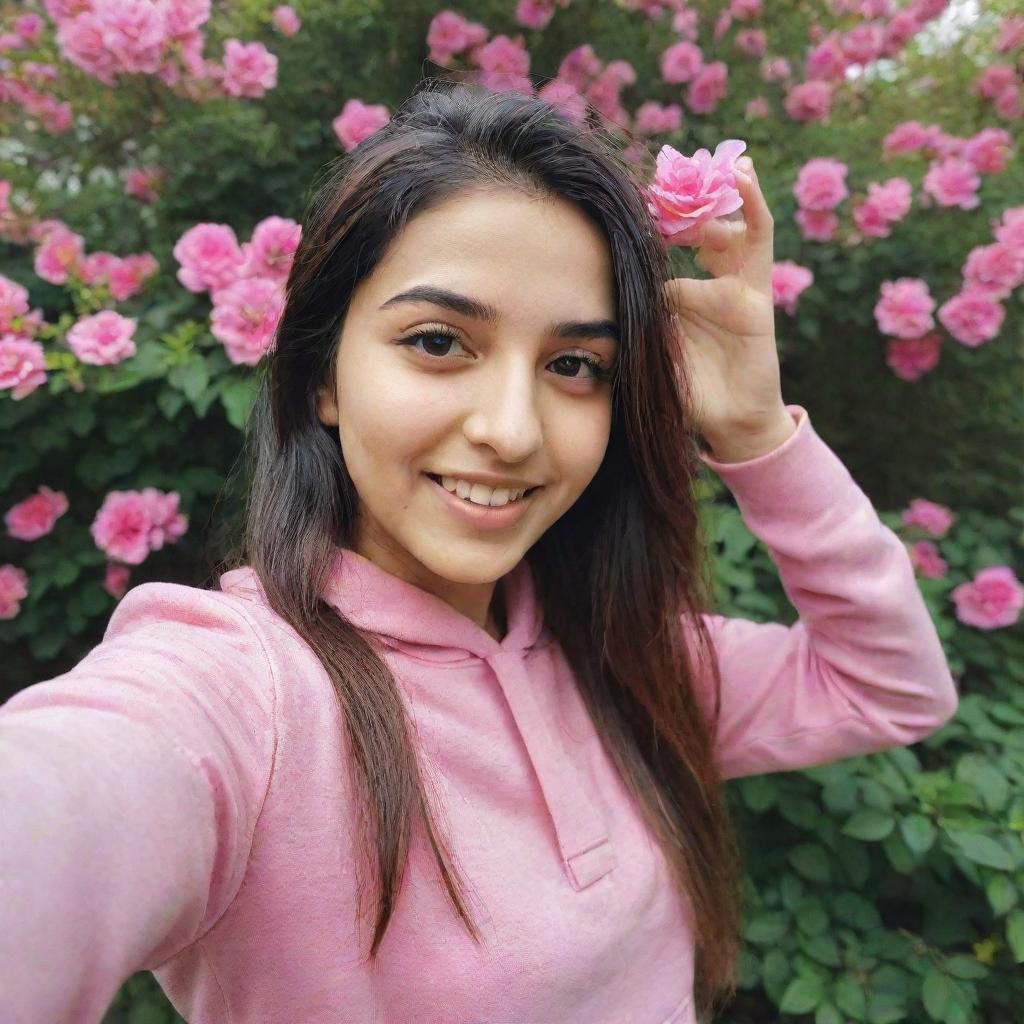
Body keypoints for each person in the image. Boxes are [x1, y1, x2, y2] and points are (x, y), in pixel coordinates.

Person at [0, 78, 958, 1024]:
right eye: (437, 341)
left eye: (574, 365)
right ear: (322, 375)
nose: (511, 430)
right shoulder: (245, 693)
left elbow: (891, 686)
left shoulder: (625, 656)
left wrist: (753, 430)